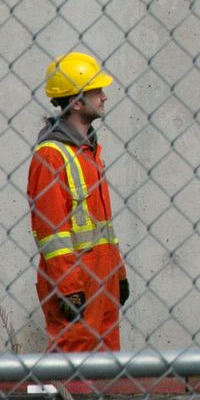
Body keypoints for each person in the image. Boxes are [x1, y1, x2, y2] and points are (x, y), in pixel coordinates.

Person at [27, 51, 127, 352]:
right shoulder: (51, 157)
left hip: (103, 278)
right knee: (75, 367)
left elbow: (102, 227)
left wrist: (118, 273)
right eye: (97, 90)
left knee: (106, 372)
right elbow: (51, 232)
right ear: (77, 101)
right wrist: (68, 289)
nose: (104, 96)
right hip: (78, 283)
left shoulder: (89, 153)